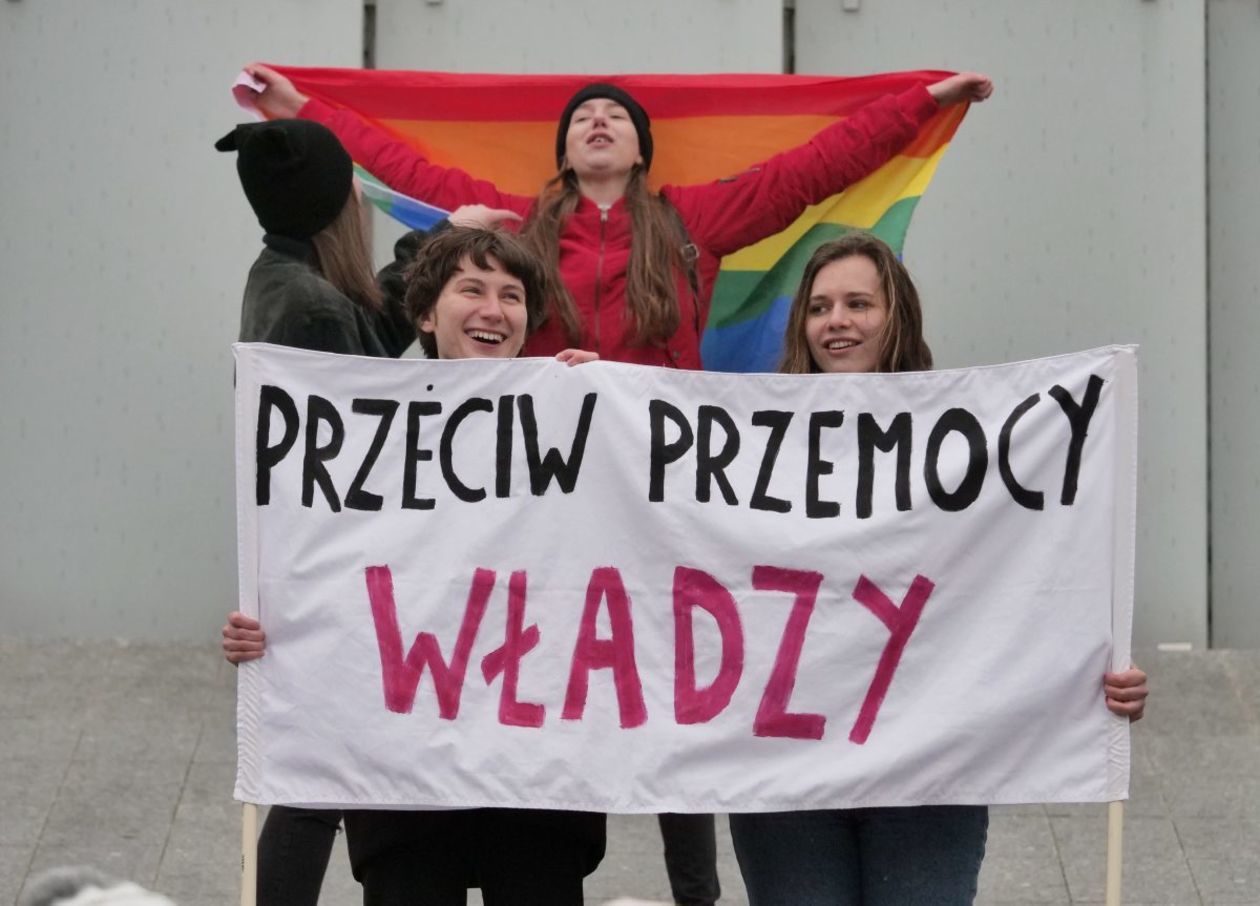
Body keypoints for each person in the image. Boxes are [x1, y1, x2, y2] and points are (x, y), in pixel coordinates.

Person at [239, 62, 991, 903]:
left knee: (684, 687)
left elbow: (809, 171)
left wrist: (919, 105)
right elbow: (404, 168)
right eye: (582, 116)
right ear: (563, 151)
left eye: (616, 115)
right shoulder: (519, 225)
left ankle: (696, 896)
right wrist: (302, 109)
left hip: (671, 507)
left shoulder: (693, 222)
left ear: (642, 151)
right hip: (553, 510)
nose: (598, 120)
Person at [728, 231, 1151, 906]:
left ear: (897, 315)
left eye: (858, 303)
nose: (836, 321)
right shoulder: (748, 443)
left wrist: (1094, 669)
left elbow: (1028, 572)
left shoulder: (970, 447)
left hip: (927, 773)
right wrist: (592, 399)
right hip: (785, 775)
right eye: (820, 307)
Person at [225, 224, 605, 905]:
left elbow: (639, 555)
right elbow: (315, 564)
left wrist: (611, 412)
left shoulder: (579, 413)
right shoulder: (361, 430)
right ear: (427, 314)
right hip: (405, 786)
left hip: (535, 781)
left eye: (512, 296)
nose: (494, 309)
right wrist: (268, 630)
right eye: (472, 289)